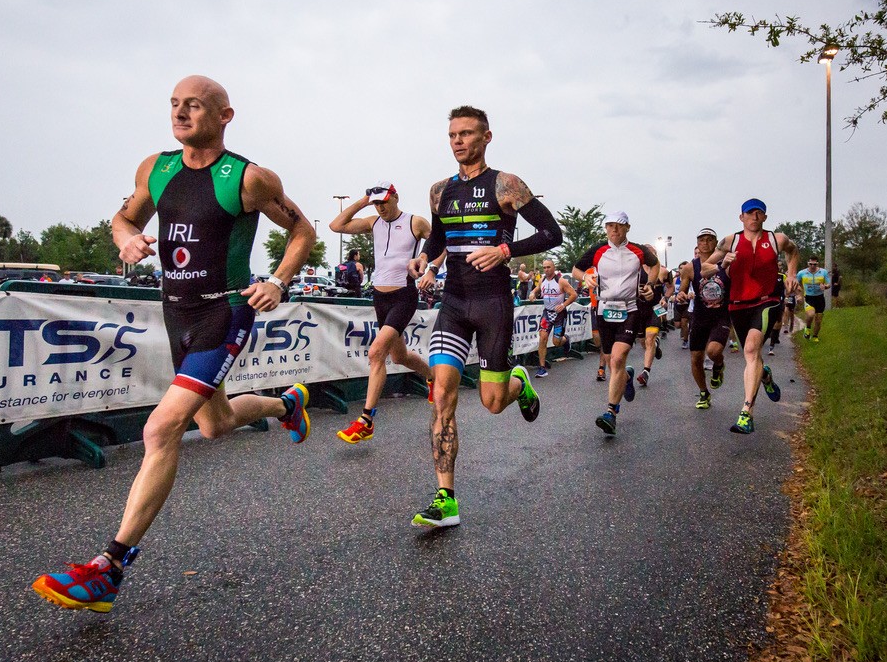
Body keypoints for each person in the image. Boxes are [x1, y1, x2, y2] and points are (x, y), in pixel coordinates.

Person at [32, 75, 315, 613]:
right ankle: (287, 404)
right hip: (176, 311)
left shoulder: (248, 178)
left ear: (225, 116)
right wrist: (126, 238)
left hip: (224, 310)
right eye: (175, 105)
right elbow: (124, 217)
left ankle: (109, 567)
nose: (181, 114)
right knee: (215, 423)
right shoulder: (156, 169)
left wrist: (278, 281)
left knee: (160, 428)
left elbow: (303, 231)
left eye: (195, 106)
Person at [407, 105, 562, 528]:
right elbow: (439, 237)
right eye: (452, 134)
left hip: (493, 303)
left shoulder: (506, 184)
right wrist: (426, 260)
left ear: (486, 137)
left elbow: (552, 233)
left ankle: (519, 384)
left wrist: (505, 250)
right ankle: (446, 499)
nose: (458, 141)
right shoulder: (439, 190)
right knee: (442, 395)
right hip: (454, 304)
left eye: (466, 133)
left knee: (492, 403)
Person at [329, 181, 438, 443]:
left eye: (384, 202)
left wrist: (430, 267)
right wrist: (362, 202)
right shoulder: (373, 222)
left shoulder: (415, 222)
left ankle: (365, 420)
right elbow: (336, 226)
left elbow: (441, 241)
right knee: (399, 356)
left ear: (395, 197)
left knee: (376, 352)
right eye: (376, 203)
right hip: (380, 297)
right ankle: (434, 378)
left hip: (403, 295)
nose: (380, 208)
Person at [706, 198, 798, 434]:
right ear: (741, 217)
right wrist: (721, 264)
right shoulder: (730, 241)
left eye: (759, 213)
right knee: (753, 356)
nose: (754, 217)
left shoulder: (777, 239)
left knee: (750, 349)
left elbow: (793, 251)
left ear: (765, 217)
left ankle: (746, 413)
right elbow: (704, 267)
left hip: (767, 301)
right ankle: (764, 375)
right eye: (749, 213)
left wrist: (792, 274)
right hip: (738, 305)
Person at [572, 211, 659, 436]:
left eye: (619, 225)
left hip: (629, 308)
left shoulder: (638, 250)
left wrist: (650, 285)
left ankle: (611, 412)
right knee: (613, 363)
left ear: (628, 227)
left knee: (618, 358)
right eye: (610, 225)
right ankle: (627, 378)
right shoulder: (598, 250)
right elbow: (575, 269)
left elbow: (655, 265)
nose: (614, 229)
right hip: (604, 309)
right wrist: (585, 277)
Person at [676, 228, 730, 410]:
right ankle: (704, 393)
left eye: (709, 239)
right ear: (697, 243)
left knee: (713, 351)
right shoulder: (690, 267)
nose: (705, 243)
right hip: (700, 316)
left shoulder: (725, 262)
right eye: (702, 240)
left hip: (721, 315)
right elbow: (682, 290)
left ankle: (719, 365)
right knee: (696, 358)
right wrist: (681, 296)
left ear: (716, 242)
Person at [530, 259, 577, 377]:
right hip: (547, 314)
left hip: (559, 315)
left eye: (548, 267)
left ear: (553, 268)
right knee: (543, 338)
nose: (546, 270)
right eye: (544, 267)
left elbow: (574, 294)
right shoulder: (542, 280)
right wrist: (532, 293)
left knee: (556, 342)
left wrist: (563, 305)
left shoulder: (561, 281)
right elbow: (537, 289)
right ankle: (542, 368)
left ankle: (565, 339)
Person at [634, 244, 666, 388]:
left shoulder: (663, 271)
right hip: (639, 309)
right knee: (644, 342)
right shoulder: (636, 270)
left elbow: (670, 287)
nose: (649, 256)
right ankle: (655, 346)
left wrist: (665, 297)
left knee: (650, 338)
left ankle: (645, 372)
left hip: (655, 308)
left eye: (652, 253)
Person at [796, 256, 830, 342]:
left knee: (818, 320)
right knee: (811, 315)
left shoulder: (823, 272)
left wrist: (825, 286)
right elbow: (796, 283)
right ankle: (807, 328)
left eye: (814, 264)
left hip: (820, 298)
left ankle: (815, 336)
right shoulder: (802, 273)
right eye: (810, 264)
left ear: (817, 263)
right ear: (808, 263)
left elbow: (829, 284)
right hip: (809, 298)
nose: (812, 266)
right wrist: (799, 295)